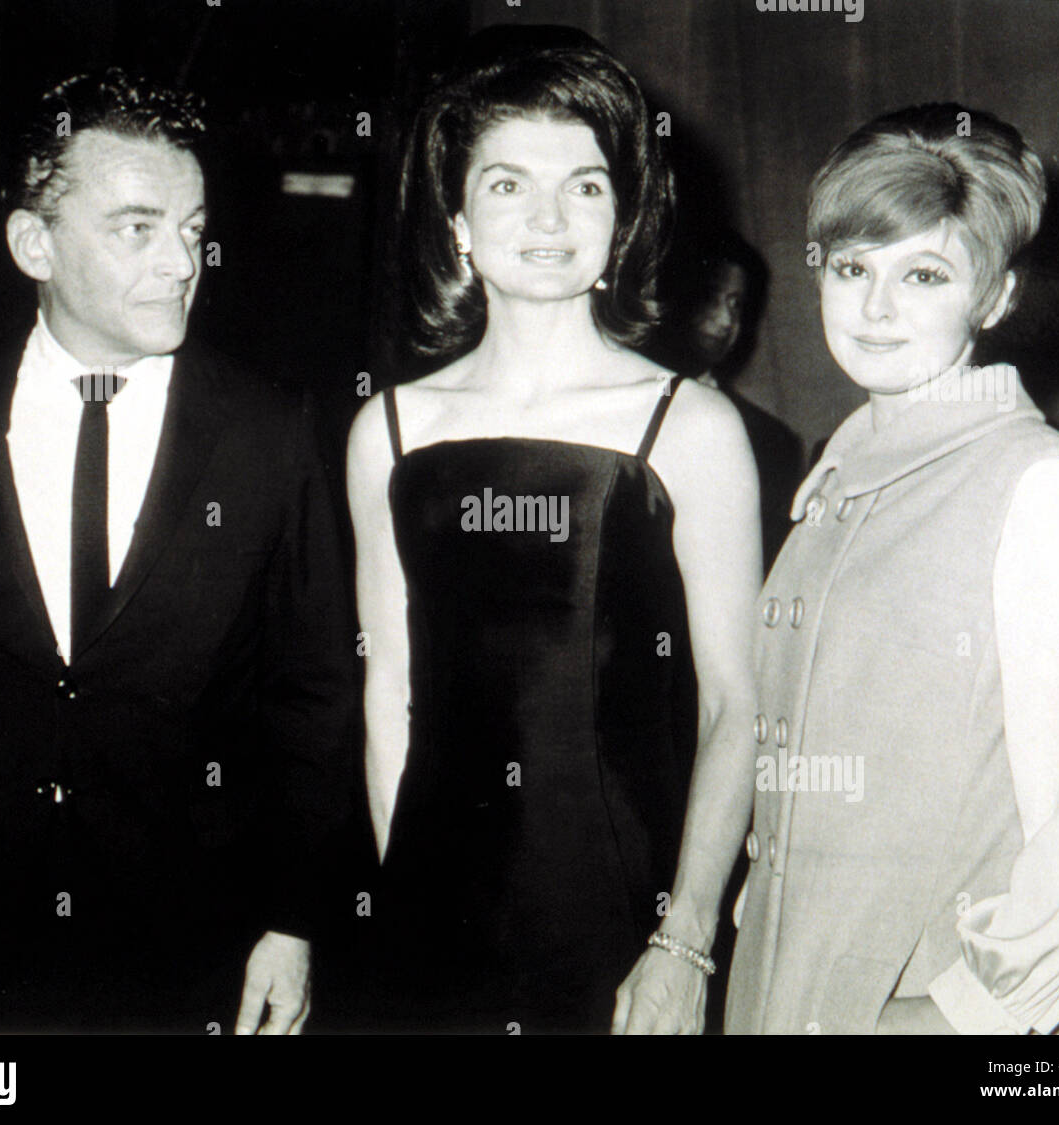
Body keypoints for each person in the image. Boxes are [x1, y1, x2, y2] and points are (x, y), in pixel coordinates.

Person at [616, 103, 1059, 1034]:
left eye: (924, 274)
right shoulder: (835, 481)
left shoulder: (1037, 486)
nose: (875, 308)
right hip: (794, 989)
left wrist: (962, 1012)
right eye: (852, 267)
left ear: (993, 299)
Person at [0, 69, 357, 1034]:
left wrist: (292, 922)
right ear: (32, 244)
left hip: (180, 955)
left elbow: (316, 694)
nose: (182, 261)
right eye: (137, 226)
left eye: (191, 227)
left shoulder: (269, 429)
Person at [345, 25, 760, 1033]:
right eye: (505, 184)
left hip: (624, 907)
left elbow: (738, 708)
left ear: (621, 219)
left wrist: (684, 938)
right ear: (455, 218)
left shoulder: (691, 425)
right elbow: (389, 691)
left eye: (581, 185)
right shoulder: (387, 428)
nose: (546, 217)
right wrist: (406, 902)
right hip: (433, 922)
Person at [652, 229, 802, 570]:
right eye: (709, 297)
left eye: (735, 304)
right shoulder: (619, 414)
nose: (724, 321)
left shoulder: (772, 441)